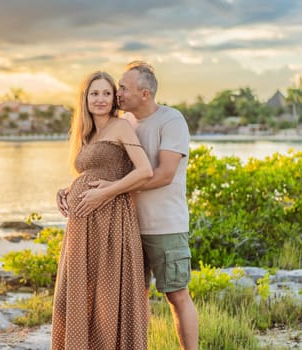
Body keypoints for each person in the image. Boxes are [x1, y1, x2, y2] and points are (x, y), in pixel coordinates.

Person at [58, 62, 199, 350]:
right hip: (125, 227)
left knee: (177, 294)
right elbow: (106, 169)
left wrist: (108, 192)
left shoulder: (171, 121)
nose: (117, 94)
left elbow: (161, 174)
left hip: (163, 224)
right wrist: (73, 188)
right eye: (116, 88)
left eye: (121, 88)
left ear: (144, 93)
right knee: (131, 299)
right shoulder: (125, 123)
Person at [51, 71, 153, 350]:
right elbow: (93, 172)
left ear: (114, 98)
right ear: (85, 98)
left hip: (111, 222)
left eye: (106, 93)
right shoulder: (88, 134)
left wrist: (108, 191)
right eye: (94, 93)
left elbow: (144, 171)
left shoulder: (121, 127)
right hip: (83, 226)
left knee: (106, 299)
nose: (100, 99)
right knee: (72, 297)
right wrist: (69, 190)